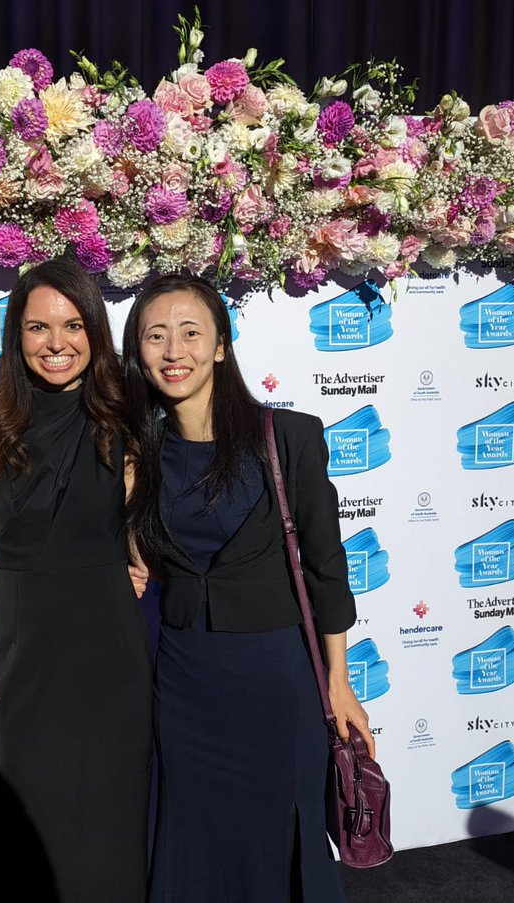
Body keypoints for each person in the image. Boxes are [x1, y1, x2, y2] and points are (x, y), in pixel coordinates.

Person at [121, 274, 374, 903]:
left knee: (279, 835)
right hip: (182, 681)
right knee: (195, 835)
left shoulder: (287, 437)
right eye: (156, 336)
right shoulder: (138, 450)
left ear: (221, 346)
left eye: (190, 334)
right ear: (139, 351)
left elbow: (326, 566)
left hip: (274, 676)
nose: (173, 351)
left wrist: (339, 684)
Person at [0, 257, 152, 902]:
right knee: (24, 809)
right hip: (18, 639)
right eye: (38, 327)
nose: (56, 343)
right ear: (16, 335)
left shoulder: (123, 429)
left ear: (94, 332)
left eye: (72, 325)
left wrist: (138, 564)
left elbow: (135, 534)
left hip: (107, 641)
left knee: (108, 807)